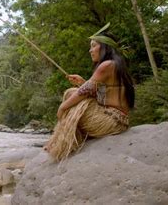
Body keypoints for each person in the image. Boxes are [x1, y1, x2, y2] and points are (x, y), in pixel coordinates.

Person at [44, 23, 135, 161]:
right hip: (116, 122)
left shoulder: (107, 65)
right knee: (73, 92)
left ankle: (62, 143)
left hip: (111, 122)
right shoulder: (114, 65)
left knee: (70, 94)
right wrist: (82, 83)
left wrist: (62, 107)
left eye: (93, 46)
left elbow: (83, 93)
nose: (90, 50)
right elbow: (101, 96)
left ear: (104, 48)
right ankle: (59, 141)